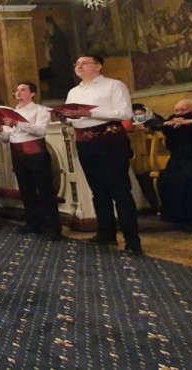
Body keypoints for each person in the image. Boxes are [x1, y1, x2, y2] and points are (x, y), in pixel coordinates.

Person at [64, 53, 141, 254]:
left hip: (110, 141)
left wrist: (89, 113)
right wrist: (68, 117)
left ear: (98, 66)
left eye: (84, 63)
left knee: (120, 191)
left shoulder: (114, 86)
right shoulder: (73, 91)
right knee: (98, 191)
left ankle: (132, 240)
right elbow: (74, 119)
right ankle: (106, 234)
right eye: (76, 63)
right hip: (84, 143)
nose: (79, 66)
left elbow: (124, 113)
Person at [0, 82, 62, 240]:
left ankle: (52, 227)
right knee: (26, 190)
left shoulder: (41, 110)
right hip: (17, 153)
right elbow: (6, 138)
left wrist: (17, 123)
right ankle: (33, 223)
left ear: (32, 94)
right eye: (16, 90)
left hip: (36, 153)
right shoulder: (10, 113)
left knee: (45, 190)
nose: (18, 93)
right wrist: (0, 131)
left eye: (23, 89)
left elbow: (40, 130)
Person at [155, 99, 192, 227]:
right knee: (166, 179)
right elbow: (154, 123)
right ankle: (175, 216)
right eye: (177, 110)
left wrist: (190, 122)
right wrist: (167, 125)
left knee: (190, 179)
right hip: (176, 160)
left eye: (183, 110)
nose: (179, 114)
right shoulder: (172, 121)